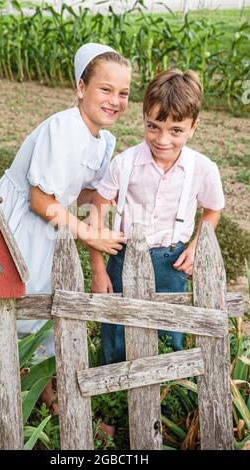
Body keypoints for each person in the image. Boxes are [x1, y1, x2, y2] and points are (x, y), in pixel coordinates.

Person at [0, 43, 131, 406]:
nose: (115, 99)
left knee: (51, 308)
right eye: (106, 89)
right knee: (22, 310)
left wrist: (113, 203)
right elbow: (39, 199)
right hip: (20, 222)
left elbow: (82, 194)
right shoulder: (62, 128)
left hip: (52, 223)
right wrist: (89, 235)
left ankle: (45, 394)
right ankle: (14, 396)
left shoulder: (103, 141)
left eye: (124, 92)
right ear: (81, 89)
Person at [89, 69, 225, 365]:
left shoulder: (203, 169)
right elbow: (96, 211)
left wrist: (196, 244)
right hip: (123, 259)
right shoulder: (124, 164)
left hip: (170, 262)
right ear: (144, 119)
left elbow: (212, 210)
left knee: (167, 335)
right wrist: (98, 269)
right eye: (153, 127)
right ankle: (115, 400)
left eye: (176, 130)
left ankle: (165, 396)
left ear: (194, 127)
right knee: (116, 332)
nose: (162, 139)